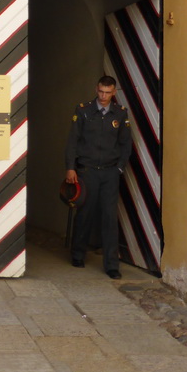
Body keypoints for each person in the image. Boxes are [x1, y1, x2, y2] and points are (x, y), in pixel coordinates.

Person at [64, 75, 132, 279]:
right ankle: (78, 254)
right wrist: (70, 167)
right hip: (87, 171)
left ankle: (112, 265)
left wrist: (119, 168)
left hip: (110, 172)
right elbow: (72, 141)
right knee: (85, 213)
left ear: (114, 93)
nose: (103, 96)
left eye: (107, 93)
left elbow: (126, 144)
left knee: (109, 218)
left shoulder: (120, 114)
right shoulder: (83, 111)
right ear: (96, 89)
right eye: (101, 91)